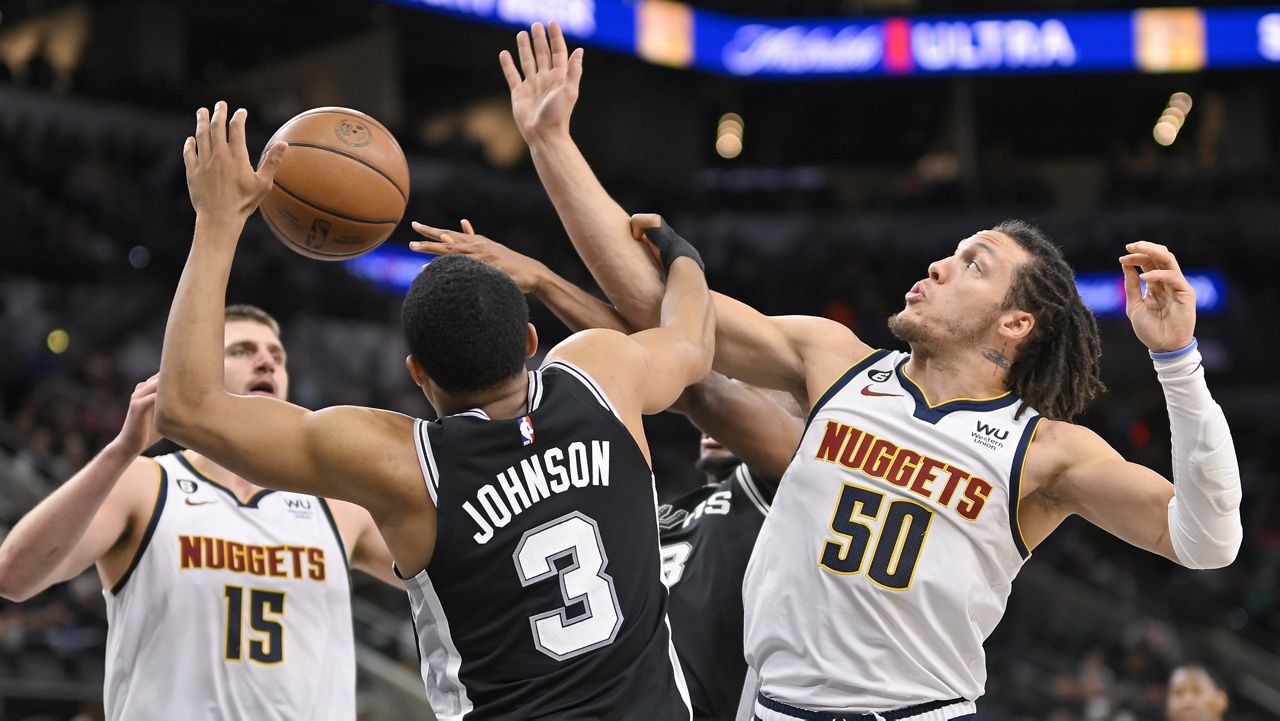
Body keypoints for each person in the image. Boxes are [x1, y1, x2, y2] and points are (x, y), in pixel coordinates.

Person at [498, 22, 1243, 720]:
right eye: (949, 253)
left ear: (1016, 323)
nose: (937, 264)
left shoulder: (1044, 452)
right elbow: (663, 305)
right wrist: (552, 143)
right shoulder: (834, 361)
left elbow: (1208, 540)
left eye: (971, 265)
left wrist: (1177, 360)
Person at [155, 99, 715, 720]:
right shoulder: (601, 376)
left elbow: (185, 407)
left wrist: (217, 222)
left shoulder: (403, 465)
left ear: (417, 373)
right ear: (530, 342)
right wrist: (680, 254)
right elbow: (691, 339)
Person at [408, 219, 803, 720]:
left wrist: (554, 282)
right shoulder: (652, 510)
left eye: (756, 396)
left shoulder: (789, 483)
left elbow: (699, 388)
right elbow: (623, 377)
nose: (730, 409)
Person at [0, 305, 398, 721]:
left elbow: (456, 574)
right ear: (198, 372)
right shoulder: (146, 483)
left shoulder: (336, 503)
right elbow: (14, 575)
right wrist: (121, 451)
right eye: (242, 351)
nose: (266, 361)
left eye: (276, 356)